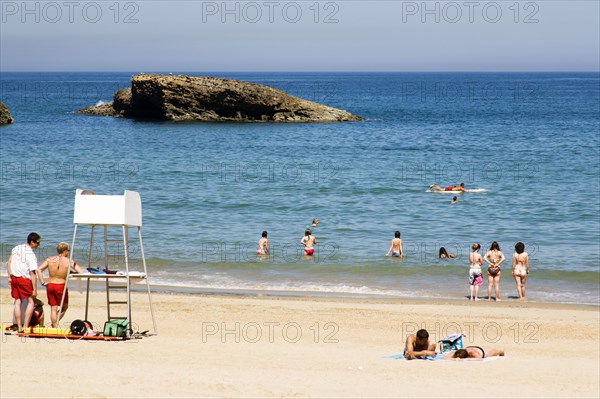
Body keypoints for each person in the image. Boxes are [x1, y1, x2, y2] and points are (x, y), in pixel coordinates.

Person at [37, 242, 84, 328]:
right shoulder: (69, 261)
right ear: (65, 251)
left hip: (50, 285)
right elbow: (80, 272)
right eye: (68, 251)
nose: (68, 252)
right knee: (64, 307)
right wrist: (69, 273)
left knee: (53, 308)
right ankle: (54, 323)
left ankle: (54, 325)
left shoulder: (49, 259)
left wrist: (43, 282)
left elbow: (39, 269)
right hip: (61, 286)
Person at [7, 232, 41, 333]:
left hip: (14, 278)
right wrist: (35, 288)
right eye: (37, 243)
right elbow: (33, 272)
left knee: (18, 301)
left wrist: (10, 276)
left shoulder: (17, 248)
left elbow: (9, 262)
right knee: (31, 301)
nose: (38, 245)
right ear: (32, 242)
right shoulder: (31, 255)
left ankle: (19, 326)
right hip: (24, 279)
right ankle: (25, 326)